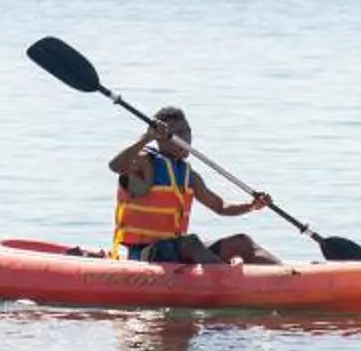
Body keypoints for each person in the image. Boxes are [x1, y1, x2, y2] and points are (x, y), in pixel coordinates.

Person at [108, 106, 279, 264]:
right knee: (191, 242)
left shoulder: (189, 176)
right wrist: (146, 138)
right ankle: (225, 278)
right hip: (145, 253)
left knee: (242, 242)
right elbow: (115, 166)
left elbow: (220, 206)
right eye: (179, 133)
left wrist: (252, 205)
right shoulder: (144, 162)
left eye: (188, 131)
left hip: (176, 249)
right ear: (160, 138)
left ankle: (285, 275)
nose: (186, 138)